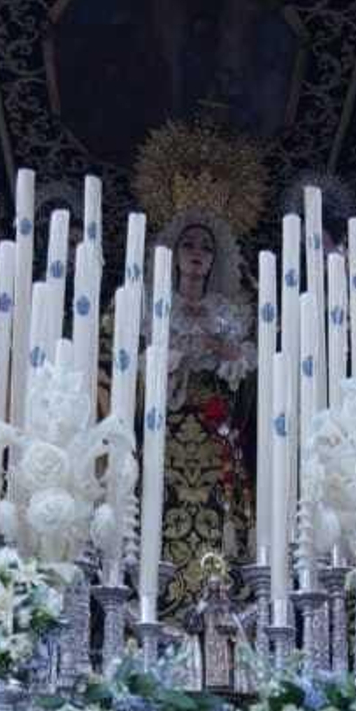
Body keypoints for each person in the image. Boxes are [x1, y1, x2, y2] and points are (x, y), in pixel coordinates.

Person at [134, 119, 261, 609]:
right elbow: (136, 372)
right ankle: (156, 606)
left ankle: (219, 607)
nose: (197, 256)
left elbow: (243, 384)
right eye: (189, 245)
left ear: (216, 259)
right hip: (165, 434)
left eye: (206, 248)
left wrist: (229, 358)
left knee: (221, 525)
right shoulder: (148, 308)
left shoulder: (228, 315)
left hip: (214, 440)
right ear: (173, 251)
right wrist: (168, 359)